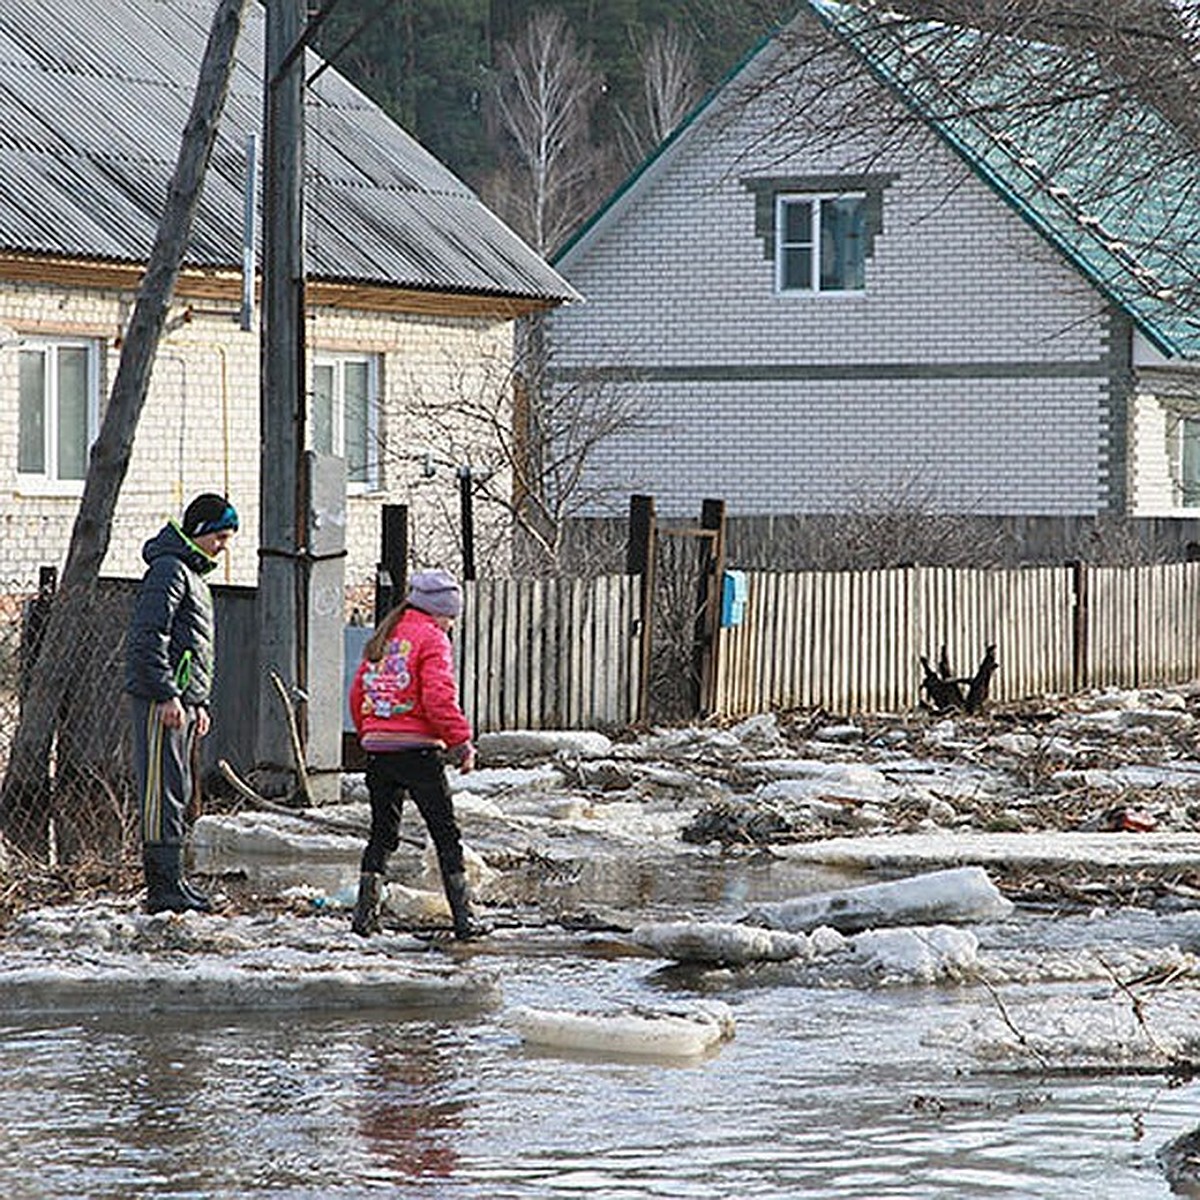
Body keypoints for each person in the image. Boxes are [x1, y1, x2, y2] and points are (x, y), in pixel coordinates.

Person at [347, 568, 484, 939]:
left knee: (382, 834)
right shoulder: (432, 639)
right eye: (450, 617)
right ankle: (464, 919)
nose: (451, 624)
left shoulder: (385, 635)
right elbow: (438, 699)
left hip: (379, 751)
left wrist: (371, 734)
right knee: (445, 833)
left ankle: (364, 917)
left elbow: (358, 694)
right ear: (439, 613)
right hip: (417, 752)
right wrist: (461, 742)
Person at [125, 492, 238, 914]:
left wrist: (198, 701)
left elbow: (194, 647)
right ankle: (162, 887)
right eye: (220, 537)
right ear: (201, 532)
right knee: (162, 791)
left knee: (179, 787)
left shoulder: (192, 573)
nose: (223, 546)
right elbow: (149, 637)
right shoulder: (169, 570)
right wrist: (167, 693)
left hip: (183, 703)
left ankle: (175, 881)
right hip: (161, 702)